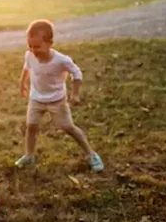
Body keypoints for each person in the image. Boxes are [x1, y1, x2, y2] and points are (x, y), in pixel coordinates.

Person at [16, 19, 104, 172]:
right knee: (31, 126)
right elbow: (27, 67)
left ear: (50, 43)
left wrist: (75, 93)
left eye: (37, 46)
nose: (33, 50)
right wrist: (22, 83)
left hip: (57, 100)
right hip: (36, 99)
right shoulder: (30, 55)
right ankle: (29, 155)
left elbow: (77, 73)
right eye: (30, 46)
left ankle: (91, 154)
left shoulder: (61, 60)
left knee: (68, 127)